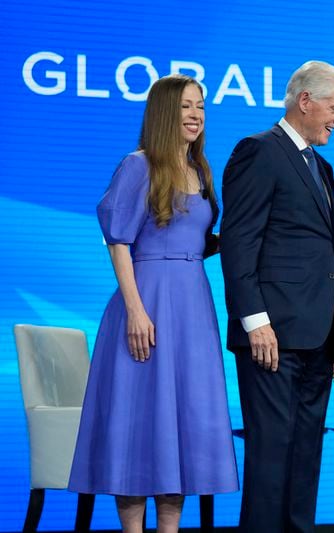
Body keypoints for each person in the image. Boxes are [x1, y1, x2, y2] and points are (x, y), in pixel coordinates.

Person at [68, 74, 238, 533]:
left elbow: (198, 241)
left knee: (180, 425)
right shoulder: (138, 165)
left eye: (200, 106)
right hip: (146, 301)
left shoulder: (201, 171)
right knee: (139, 424)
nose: (196, 115)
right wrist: (136, 311)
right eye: (185, 106)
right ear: (164, 112)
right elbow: (118, 241)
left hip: (193, 306)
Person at [219, 60, 334, 533]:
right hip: (271, 335)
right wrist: (255, 321)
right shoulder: (258, 151)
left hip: (316, 339)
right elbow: (239, 242)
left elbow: (324, 258)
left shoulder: (320, 164)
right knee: (272, 457)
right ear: (305, 101)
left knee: (304, 457)